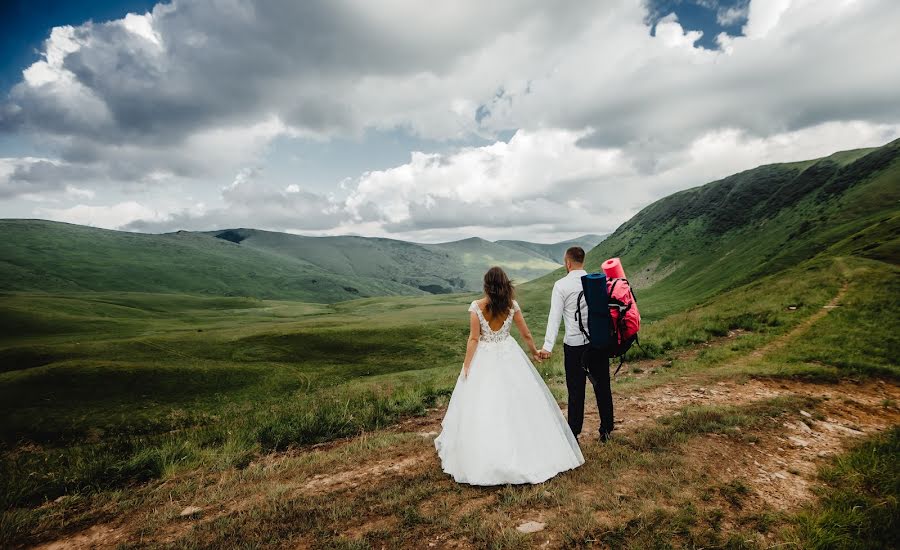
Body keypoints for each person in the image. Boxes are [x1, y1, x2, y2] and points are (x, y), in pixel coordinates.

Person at [434, 266, 584, 485]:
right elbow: (525, 333)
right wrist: (535, 352)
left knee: (483, 404)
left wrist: (467, 365)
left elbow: (474, 339)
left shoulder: (476, 307)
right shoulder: (511, 306)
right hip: (509, 354)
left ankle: (484, 453)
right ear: (506, 284)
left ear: (486, 285)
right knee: (518, 401)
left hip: (484, 357)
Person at [538, 247, 614, 442]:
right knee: (602, 386)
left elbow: (554, 317)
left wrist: (547, 346)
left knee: (576, 390)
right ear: (583, 261)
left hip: (574, 346)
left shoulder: (561, 285)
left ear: (568, 262)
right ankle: (606, 430)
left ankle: (574, 434)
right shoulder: (596, 282)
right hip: (597, 342)